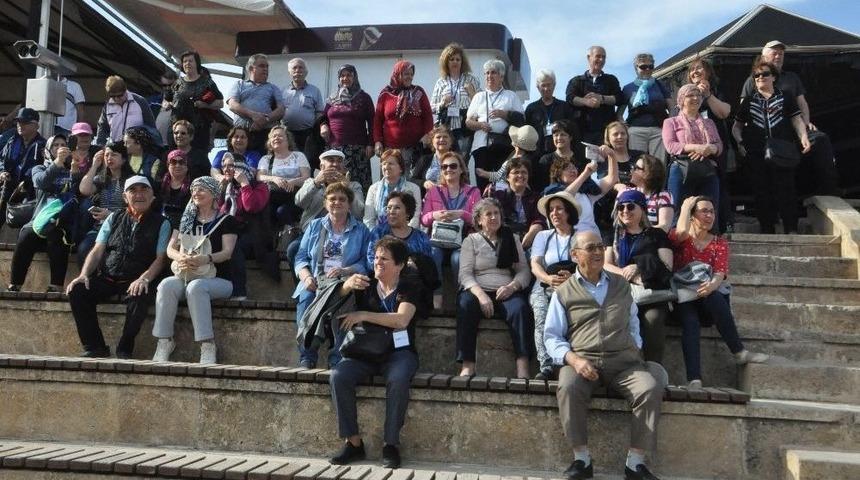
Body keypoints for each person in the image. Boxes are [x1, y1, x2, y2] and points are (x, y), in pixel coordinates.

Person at [545, 230, 665, 480]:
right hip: (583, 362)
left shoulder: (621, 285)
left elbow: (633, 323)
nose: (598, 252)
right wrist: (574, 360)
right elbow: (552, 337)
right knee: (568, 387)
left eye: (600, 246)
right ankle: (582, 460)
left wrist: (633, 347)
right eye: (590, 248)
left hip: (625, 363)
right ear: (575, 255)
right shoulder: (563, 292)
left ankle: (635, 463)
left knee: (649, 387)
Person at [328, 236, 420, 469]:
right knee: (339, 376)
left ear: (399, 265)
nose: (378, 262)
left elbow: (401, 320)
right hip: (365, 352)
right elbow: (332, 304)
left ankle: (390, 445)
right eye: (376, 258)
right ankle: (353, 443)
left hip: (399, 353)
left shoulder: (410, 286)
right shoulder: (365, 283)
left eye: (384, 259)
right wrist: (346, 286)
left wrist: (363, 315)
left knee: (398, 379)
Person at [67, 175, 171, 358]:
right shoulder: (114, 218)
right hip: (108, 276)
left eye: (144, 190)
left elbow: (161, 258)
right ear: (125, 197)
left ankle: (125, 347)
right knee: (78, 290)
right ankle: (95, 346)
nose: (139, 195)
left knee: (140, 295)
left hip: (138, 278)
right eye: (133, 190)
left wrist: (144, 278)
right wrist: (84, 274)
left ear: (152, 196)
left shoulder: (162, 223)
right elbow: (97, 250)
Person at [671, 196, 768, 388]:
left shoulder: (719, 243)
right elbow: (680, 232)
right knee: (690, 322)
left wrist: (711, 286)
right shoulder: (681, 239)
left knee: (714, 295)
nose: (709, 215)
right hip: (683, 298)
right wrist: (685, 207)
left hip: (709, 303)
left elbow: (720, 273)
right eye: (704, 211)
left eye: (712, 211)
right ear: (692, 216)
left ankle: (739, 352)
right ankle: (694, 379)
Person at [152, 176, 239, 364]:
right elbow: (170, 250)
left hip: (219, 279)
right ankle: (164, 341)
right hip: (186, 274)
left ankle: (207, 345)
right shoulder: (185, 220)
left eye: (201, 189)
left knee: (196, 287)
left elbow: (227, 253)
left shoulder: (227, 221)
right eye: (194, 190)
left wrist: (205, 259)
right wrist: (181, 258)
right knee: (166, 285)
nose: (196, 193)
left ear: (214, 194)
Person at [740, 40, 839, 197]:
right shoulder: (754, 79)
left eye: (781, 54)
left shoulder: (792, 77)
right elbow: (744, 109)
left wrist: (806, 123)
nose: (778, 56)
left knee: (820, 140)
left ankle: (829, 193)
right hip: (768, 133)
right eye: (774, 53)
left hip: (794, 128)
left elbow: (802, 103)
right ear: (764, 57)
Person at [293, 182, 372, 368]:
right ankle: (307, 356)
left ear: (349, 204)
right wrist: (306, 277)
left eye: (342, 199)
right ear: (325, 203)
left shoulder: (361, 230)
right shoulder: (314, 226)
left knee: (346, 300)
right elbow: (301, 257)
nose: (337, 202)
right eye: (332, 199)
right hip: (315, 279)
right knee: (305, 298)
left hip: (344, 281)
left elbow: (366, 262)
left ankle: (337, 357)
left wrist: (347, 270)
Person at [457, 197, 533, 378]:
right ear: (479, 220)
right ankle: (467, 365)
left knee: (520, 309)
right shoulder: (471, 240)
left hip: (506, 289)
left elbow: (524, 271)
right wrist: (481, 295)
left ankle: (523, 367)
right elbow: (465, 275)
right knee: (465, 305)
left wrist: (512, 287)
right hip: (478, 290)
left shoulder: (512, 238)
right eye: (488, 214)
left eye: (496, 213)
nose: (493, 217)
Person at [733, 60, 811, 234]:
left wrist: (804, 136)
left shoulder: (786, 96)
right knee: (761, 191)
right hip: (756, 152)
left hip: (782, 149)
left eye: (765, 74)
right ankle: (767, 228)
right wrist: (740, 142)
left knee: (786, 189)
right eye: (757, 75)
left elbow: (796, 120)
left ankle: (791, 228)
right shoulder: (748, 101)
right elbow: (736, 126)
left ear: (774, 77)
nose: (760, 77)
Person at [604, 190, 673, 364]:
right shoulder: (613, 235)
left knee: (653, 319)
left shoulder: (657, 234)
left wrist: (639, 266)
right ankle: (624, 367)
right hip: (622, 291)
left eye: (630, 206)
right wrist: (626, 273)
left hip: (652, 293)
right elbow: (605, 264)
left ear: (642, 209)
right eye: (620, 207)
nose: (624, 211)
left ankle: (654, 367)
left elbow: (667, 266)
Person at [8, 135, 80, 292]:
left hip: (63, 222)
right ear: (47, 150)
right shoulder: (38, 169)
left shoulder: (73, 169)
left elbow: (79, 194)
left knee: (57, 236)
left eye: (63, 144)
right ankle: (15, 284)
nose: (60, 148)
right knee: (26, 234)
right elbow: (41, 182)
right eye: (55, 145)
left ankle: (56, 286)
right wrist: (57, 162)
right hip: (40, 221)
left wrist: (75, 174)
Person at [420, 151, 481, 310]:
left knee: (457, 259)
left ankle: (462, 297)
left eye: (453, 166)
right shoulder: (433, 191)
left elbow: (480, 221)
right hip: (438, 240)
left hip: (463, 240)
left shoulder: (473, 192)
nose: (448, 169)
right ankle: (437, 298)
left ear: (461, 169)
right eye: (444, 167)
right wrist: (435, 215)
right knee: (434, 254)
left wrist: (462, 214)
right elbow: (424, 219)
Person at [530, 191, 580, 380]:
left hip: (573, 284)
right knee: (541, 313)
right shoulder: (543, 236)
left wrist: (573, 277)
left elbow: (589, 265)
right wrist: (548, 279)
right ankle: (547, 366)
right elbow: (535, 264)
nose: (554, 213)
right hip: (544, 283)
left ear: (568, 212)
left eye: (559, 209)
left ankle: (570, 361)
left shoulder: (581, 236)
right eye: (551, 210)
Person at [288, 149, 366, 271]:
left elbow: (359, 212)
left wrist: (347, 187)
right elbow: (299, 202)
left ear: (344, 168)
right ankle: (305, 280)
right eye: (331, 160)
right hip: (312, 233)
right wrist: (316, 183)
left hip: (344, 234)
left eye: (339, 161)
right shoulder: (311, 183)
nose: (335, 164)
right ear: (321, 166)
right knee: (294, 249)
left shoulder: (354, 186)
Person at [217, 153, 276, 299]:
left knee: (233, 247)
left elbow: (251, 206)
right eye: (224, 166)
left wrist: (244, 184)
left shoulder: (260, 186)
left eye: (231, 166)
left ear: (240, 168)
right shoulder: (226, 188)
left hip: (253, 233)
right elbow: (217, 212)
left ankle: (239, 292)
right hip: (230, 231)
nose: (226, 169)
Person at [662, 84, 722, 222]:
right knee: (677, 212)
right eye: (690, 95)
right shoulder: (670, 122)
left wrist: (710, 149)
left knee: (709, 210)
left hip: (707, 168)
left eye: (698, 95)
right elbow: (671, 146)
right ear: (682, 99)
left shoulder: (709, 123)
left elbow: (719, 145)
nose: (696, 98)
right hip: (681, 168)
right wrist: (696, 148)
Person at [686, 58, 734, 232]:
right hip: (693, 149)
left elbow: (724, 113)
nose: (695, 72)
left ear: (708, 72)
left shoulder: (717, 91)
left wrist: (707, 95)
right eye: (692, 70)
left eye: (699, 68)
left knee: (718, 184)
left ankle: (721, 226)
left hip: (715, 145)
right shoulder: (685, 94)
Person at [465, 59, 525, 191]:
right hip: (481, 146)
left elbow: (521, 119)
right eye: (487, 73)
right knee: (482, 185)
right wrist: (480, 125)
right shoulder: (479, 96)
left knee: (502, 183)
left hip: (504, 146)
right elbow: (468, 122)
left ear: (501, 76)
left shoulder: (511, 96)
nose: (489, 76)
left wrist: (505, 114)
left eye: (493, 73)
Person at [76, 141, 135, 265]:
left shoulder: (131, 181)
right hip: (101, 227)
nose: (109, 158)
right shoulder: (102, 179)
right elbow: (84, 190)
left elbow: (136, 210)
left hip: (123, 227)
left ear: (124, 159)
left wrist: (110, 214)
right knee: (83, 250)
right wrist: (94, 166)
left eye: (114, 155)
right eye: (107, 155)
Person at [373, 60, 434, 174]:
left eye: (411, 74)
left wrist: (427, 135)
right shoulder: (385, 94)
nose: (409, 77)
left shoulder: (418, 92)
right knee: (390, 180)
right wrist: (377, 141)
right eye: (406, 74)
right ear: (397, 74)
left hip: (414, 150)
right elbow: (377, 120)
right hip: (390, 150)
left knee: (411, 182)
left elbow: (428, 116)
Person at [321, 64, 375, 189]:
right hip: (335, 149)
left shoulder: (364, 98)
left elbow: (372, 122)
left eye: (349, 75)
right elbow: (323, 117)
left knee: (359, 184)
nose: (345, 78)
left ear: (355, 77)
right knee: (335, 185)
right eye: (342, 76)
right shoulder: (332, 98)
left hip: (358, 150)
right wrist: (323, 126)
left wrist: (370, 144)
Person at [618, 53, 672, 163]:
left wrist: (668, 127)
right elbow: (619, 114)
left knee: (659, 164)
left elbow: (672, 108)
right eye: (643, 67)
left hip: (658, 129)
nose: (647, 69)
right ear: (636, 68)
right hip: (636, 130)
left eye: (650, 66)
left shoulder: (660, 85)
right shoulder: (628, 88)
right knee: (638, 163)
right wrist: (625, 127)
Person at [226, 54, 285, 152]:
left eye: (267, 66)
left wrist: (265, 119)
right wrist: (253, 115)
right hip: (241, 134)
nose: (265, 69)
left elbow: (281, 110)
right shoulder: (239, 84)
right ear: (251, 68)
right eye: (262, 66)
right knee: (238, 160)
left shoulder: (273, 88)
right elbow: (232, 104)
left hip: (264, 134)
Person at [166, 50, 223, 150]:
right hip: (176, 132)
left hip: (199, 133)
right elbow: (166, 99)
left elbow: (220, 103)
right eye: (185, 61)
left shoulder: (207, 82)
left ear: (197, 63)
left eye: (190, 61)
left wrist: (204, 105)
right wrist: (167, 104)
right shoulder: (177, 83)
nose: (187, 63)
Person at [256, 126, 311, 230]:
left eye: (280, 136)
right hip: (273, 196)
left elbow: (306, 178)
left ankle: (293, 232)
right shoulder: (266, 159)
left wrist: (293, 181)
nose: (276, 138)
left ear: (288, 140)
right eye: (274, 136)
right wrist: (274, 179)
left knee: (282, 211)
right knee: (266, 213)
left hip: (295, 196)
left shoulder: (298, 156)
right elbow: (259, 176)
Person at [565, 46, 622, 146]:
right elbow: (570, 98)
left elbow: (619, 98)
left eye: (604, 57)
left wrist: (602, 98)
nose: (601, 60)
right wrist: (585, 101)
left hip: (606, 132)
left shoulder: (611, 80)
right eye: (598, 56)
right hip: (582, 132)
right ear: (589, 57)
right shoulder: (577, 81)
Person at [430, 43, 481, 154]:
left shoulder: (471, 79)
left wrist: (472, 93)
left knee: (462, 159)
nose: (455, 62)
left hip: (465, 128)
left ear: (462, 62)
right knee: (445, 159)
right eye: (452, 59)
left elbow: (482, 105)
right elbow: (431, 108)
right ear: (446, 62)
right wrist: (442, 103)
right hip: (446, 128)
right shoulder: (441, 82)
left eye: (458, 59)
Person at [0, 108, 46, 227]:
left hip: (29, 193)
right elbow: (2, 160)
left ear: (36, 126)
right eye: (18, 122)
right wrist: (2, 172)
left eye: (25, 122)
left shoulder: (42, 146)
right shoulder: (12, 141)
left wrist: (26, 183)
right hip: (8, 186)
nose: (20, 125)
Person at [366, 191, 431, 268]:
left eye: (397, 208)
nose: (391, 212)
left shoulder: (421, 238)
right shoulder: (379, 232)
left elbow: (428, 266)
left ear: (408, 212)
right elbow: (370, 261)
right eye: (389, 208)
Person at [490, 157, 544, 250]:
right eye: (516, 172)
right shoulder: (497, 194)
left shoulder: (536, 197)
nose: (520, 175)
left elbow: (539, 219)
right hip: (502, 240)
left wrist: (531, 233)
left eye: (524, 172)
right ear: (507, 177)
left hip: (528, 241)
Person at [525, 69, 577, 160]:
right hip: (536, 155)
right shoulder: (531, 108)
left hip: (560, 155)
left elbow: (572, 131)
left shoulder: (565, 107)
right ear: (538, 87)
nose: (546, 88)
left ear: (554, 85)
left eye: (549, 85)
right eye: (543, 85)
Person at [364, 149, 422, 230]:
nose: (386, 167)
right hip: (378, 234)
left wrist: (403, 234)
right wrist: (375, 235)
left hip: (405, 234)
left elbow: (414, 219)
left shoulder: (414, 189)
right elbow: (368, 219)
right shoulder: (373, 189)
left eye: (390, 164)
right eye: (384, 164)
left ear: (401, 168)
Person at [616, 154, 674, 232]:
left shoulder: (663, 196)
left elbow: (664, 226)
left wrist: (641, 235)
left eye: (636, 168)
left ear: (648, 173)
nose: (631, 170)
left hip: (652, 238)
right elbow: (618, 224)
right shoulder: (625, 193)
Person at [475, 124, 540, 192]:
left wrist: (494, 186)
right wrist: (483, 173)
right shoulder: (514, 154)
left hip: (507, 194)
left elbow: (508, 182)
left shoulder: (522, 162)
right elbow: (500, 175)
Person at [95, 75, 156, 145]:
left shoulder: (140, 101)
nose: (116, 99)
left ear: (125, 91)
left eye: (119, 96)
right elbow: (102, 127)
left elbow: (151, 127)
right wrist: (101, 145)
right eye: (112, 96)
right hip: (115, 147)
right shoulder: (107, 106)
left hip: (136, 147)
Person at [283, 58, 325, 155]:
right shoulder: (283, 91)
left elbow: (319, 113)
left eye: (301, 67)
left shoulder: (315, 90)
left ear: (306, 72)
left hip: (308, 134)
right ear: (289, 72)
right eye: (294, 68)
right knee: (291, 160)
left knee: (307, 160)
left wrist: (315, 131)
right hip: (288, 134)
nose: (297, 70)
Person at [538, 120, 583, 194]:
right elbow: (542, 185)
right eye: (556, 135)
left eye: (563, 135)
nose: (559, 138)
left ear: (570, 137)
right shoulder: (546, 160)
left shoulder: (580, 158)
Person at [411, 124, 454, 196]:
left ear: (451, 141)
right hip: (428, 199)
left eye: (445, 137)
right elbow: (413, 180)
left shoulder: (457, 160)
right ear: (432, 141)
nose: (442, 139)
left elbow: (464, 181)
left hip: (452, 199)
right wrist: (424, 183)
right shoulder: (425, 160)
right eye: (438, 137)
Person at [160, 149, 192, 229]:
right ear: (168, 165)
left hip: (184, 226)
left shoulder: (193, 186)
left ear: (187, 166)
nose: (177, 165)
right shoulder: (158, 186)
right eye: (173, 162)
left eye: (181, 162)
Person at [150, 68, 178, 142]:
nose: (168, 88)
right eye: (164, 85)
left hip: (173, 144)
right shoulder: (153, 102)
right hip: (154, 143)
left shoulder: (182, 103)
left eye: (171, 85)